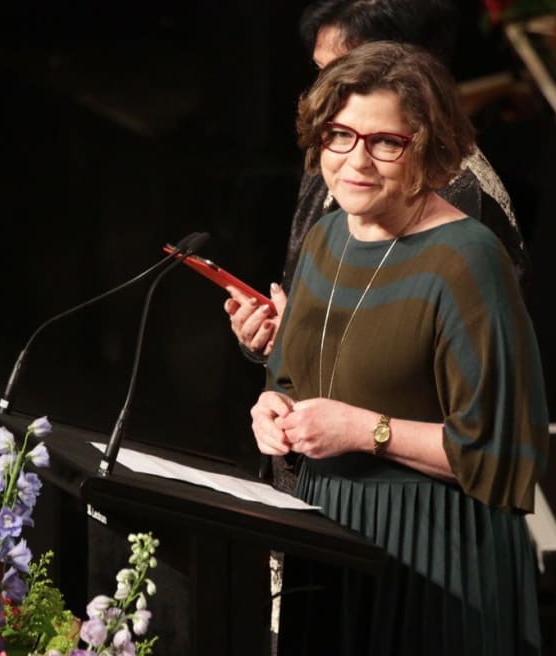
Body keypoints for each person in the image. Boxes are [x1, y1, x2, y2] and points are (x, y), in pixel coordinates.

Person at [250, 41, 548, 654]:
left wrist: (365, 431)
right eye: (340, 134)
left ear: (430, 151)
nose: (356, 160)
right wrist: (270, 412)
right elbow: (288, 379)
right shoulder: (326, 236)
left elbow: (501, 453)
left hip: (433, 552)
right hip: (327, 534)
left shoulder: (467, 260)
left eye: (386, 142)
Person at [226, 0, 530, 494]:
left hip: (409, 509)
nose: (330, 95)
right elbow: (348, 337)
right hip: (312, 491)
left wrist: (364, 430)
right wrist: (286, 346)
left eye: (350, 73)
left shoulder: (462, 203)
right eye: (323, 74)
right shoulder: (336, 154)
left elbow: (480, 431)